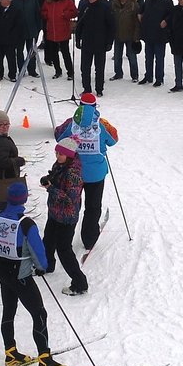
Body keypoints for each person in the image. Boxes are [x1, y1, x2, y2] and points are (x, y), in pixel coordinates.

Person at [0, 181, 73, 366]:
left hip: (2, 269)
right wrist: (42, 267)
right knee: (39, 314)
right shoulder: (26, 224)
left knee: (9, 310)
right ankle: (45, 361)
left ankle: (11, 353)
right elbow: (39, 253)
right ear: (24, 199)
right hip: (21, 274)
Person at [55, 93, 116, 251]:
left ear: (80, 106)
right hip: (96, 174)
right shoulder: (100, 124)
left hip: (75, 173)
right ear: (95, 107)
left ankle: (64, 238)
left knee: (72, 205)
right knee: (93, 206)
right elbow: (113, 140)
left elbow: (60, 139)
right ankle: (89, 239)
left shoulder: (72, 124)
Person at [39, 137, 87, 294]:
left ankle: (80, 284)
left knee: (63, 249)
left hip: (67, 217)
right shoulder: (60, 164)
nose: (57, 156)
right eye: (56, 152)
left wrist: (51, 188)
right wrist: (49, 179)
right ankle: (47, 266)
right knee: (48, 240)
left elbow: (70, 199)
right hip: (55, 212)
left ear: (70, 155)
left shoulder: (74, 173)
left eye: (61, 154)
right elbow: (56, 177)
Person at [74, 0, 113, 94]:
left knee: (99, 68)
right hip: (87, 42)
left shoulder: (105, 6)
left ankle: (99, 89)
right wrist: (77, 39)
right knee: (85, 68)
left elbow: (111, 25)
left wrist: (110, 42)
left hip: (101, 42)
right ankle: (86, 89)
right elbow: (80, 24)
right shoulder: (85, 6)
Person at [40, 0, 77, 80]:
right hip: (51, 31)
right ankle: (58, 71)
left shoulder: (67, 0)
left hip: (63, 30)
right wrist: (46, 14)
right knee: (53, 53)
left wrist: (65, 14)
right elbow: (43, 11)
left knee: (65, 52)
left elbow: (74, 12)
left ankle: (70, 72)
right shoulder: (48, 1)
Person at [109, 0, 140, 80]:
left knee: (132, 56)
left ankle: (134, 75)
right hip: (117, 34)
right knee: (117, 57)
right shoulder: (113, 4)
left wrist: (136, 36)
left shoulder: (133, 4)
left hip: (130, 35)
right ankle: (118, 73)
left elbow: (137, 21)